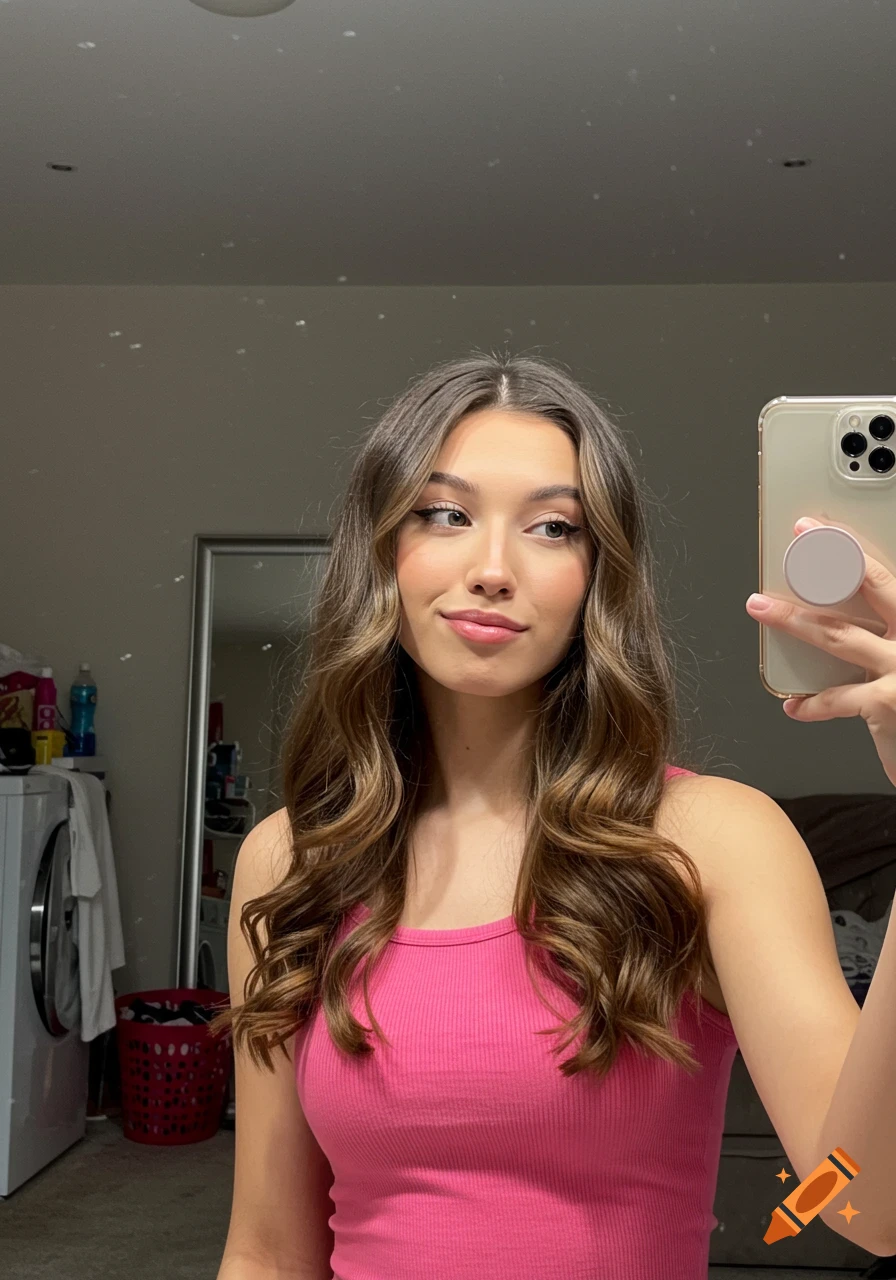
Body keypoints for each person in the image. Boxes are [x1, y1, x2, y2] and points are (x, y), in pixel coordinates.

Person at [213, 351, 895, 1278]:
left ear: (597, 578)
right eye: (445, 514)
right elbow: (265, 1250)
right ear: (384, 551)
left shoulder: (715, 841)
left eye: (551, 527)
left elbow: (867, 1204)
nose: (492, 568)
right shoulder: (290, 861)